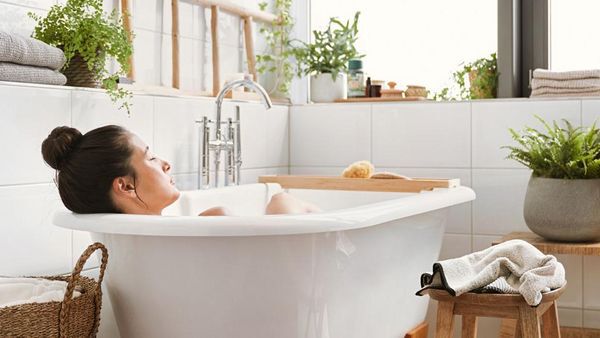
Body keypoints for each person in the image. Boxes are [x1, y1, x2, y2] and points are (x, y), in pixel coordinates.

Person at [41, 125, 320, 216]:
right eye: (150, 158)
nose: (165, 164)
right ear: (125, 186)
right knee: (282, 202)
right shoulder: (212, 222)